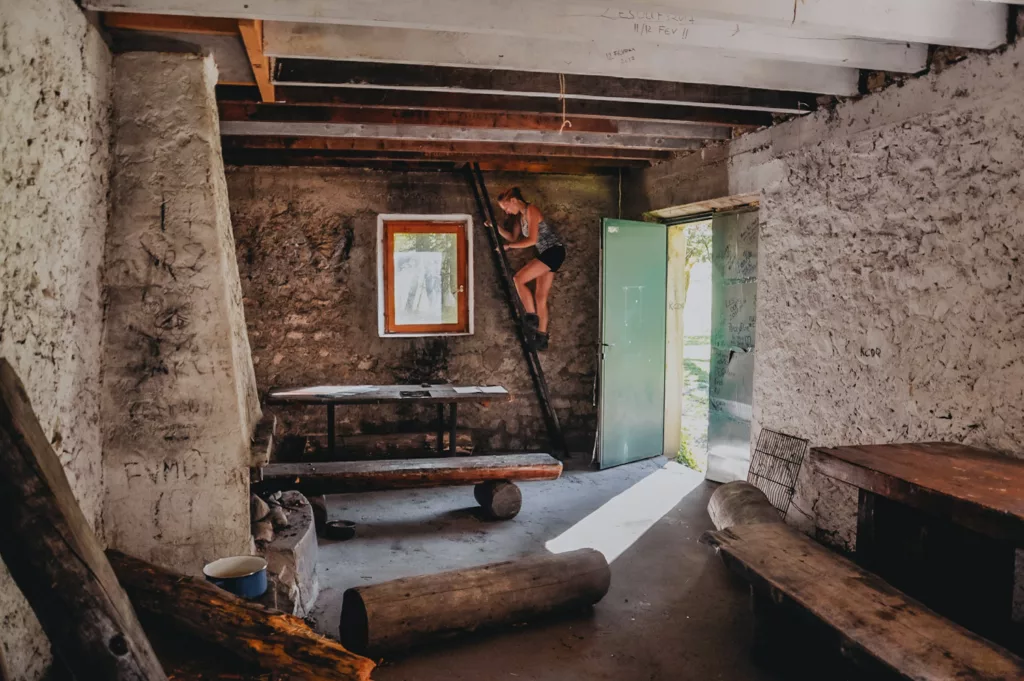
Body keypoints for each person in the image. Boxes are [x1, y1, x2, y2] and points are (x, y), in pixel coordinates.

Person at [488, 187, 567, 351]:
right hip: (548, 253)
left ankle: (531, 317)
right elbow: (512, 237)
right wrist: (495, 226)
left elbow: (531, 240)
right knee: (540, 297)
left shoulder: (532, 210)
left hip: (553, 251)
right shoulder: (519, 218)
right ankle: (542, 337)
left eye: (507, 207)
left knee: (518, 279)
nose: (508, 212)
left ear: (514, 200)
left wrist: (509, 247)